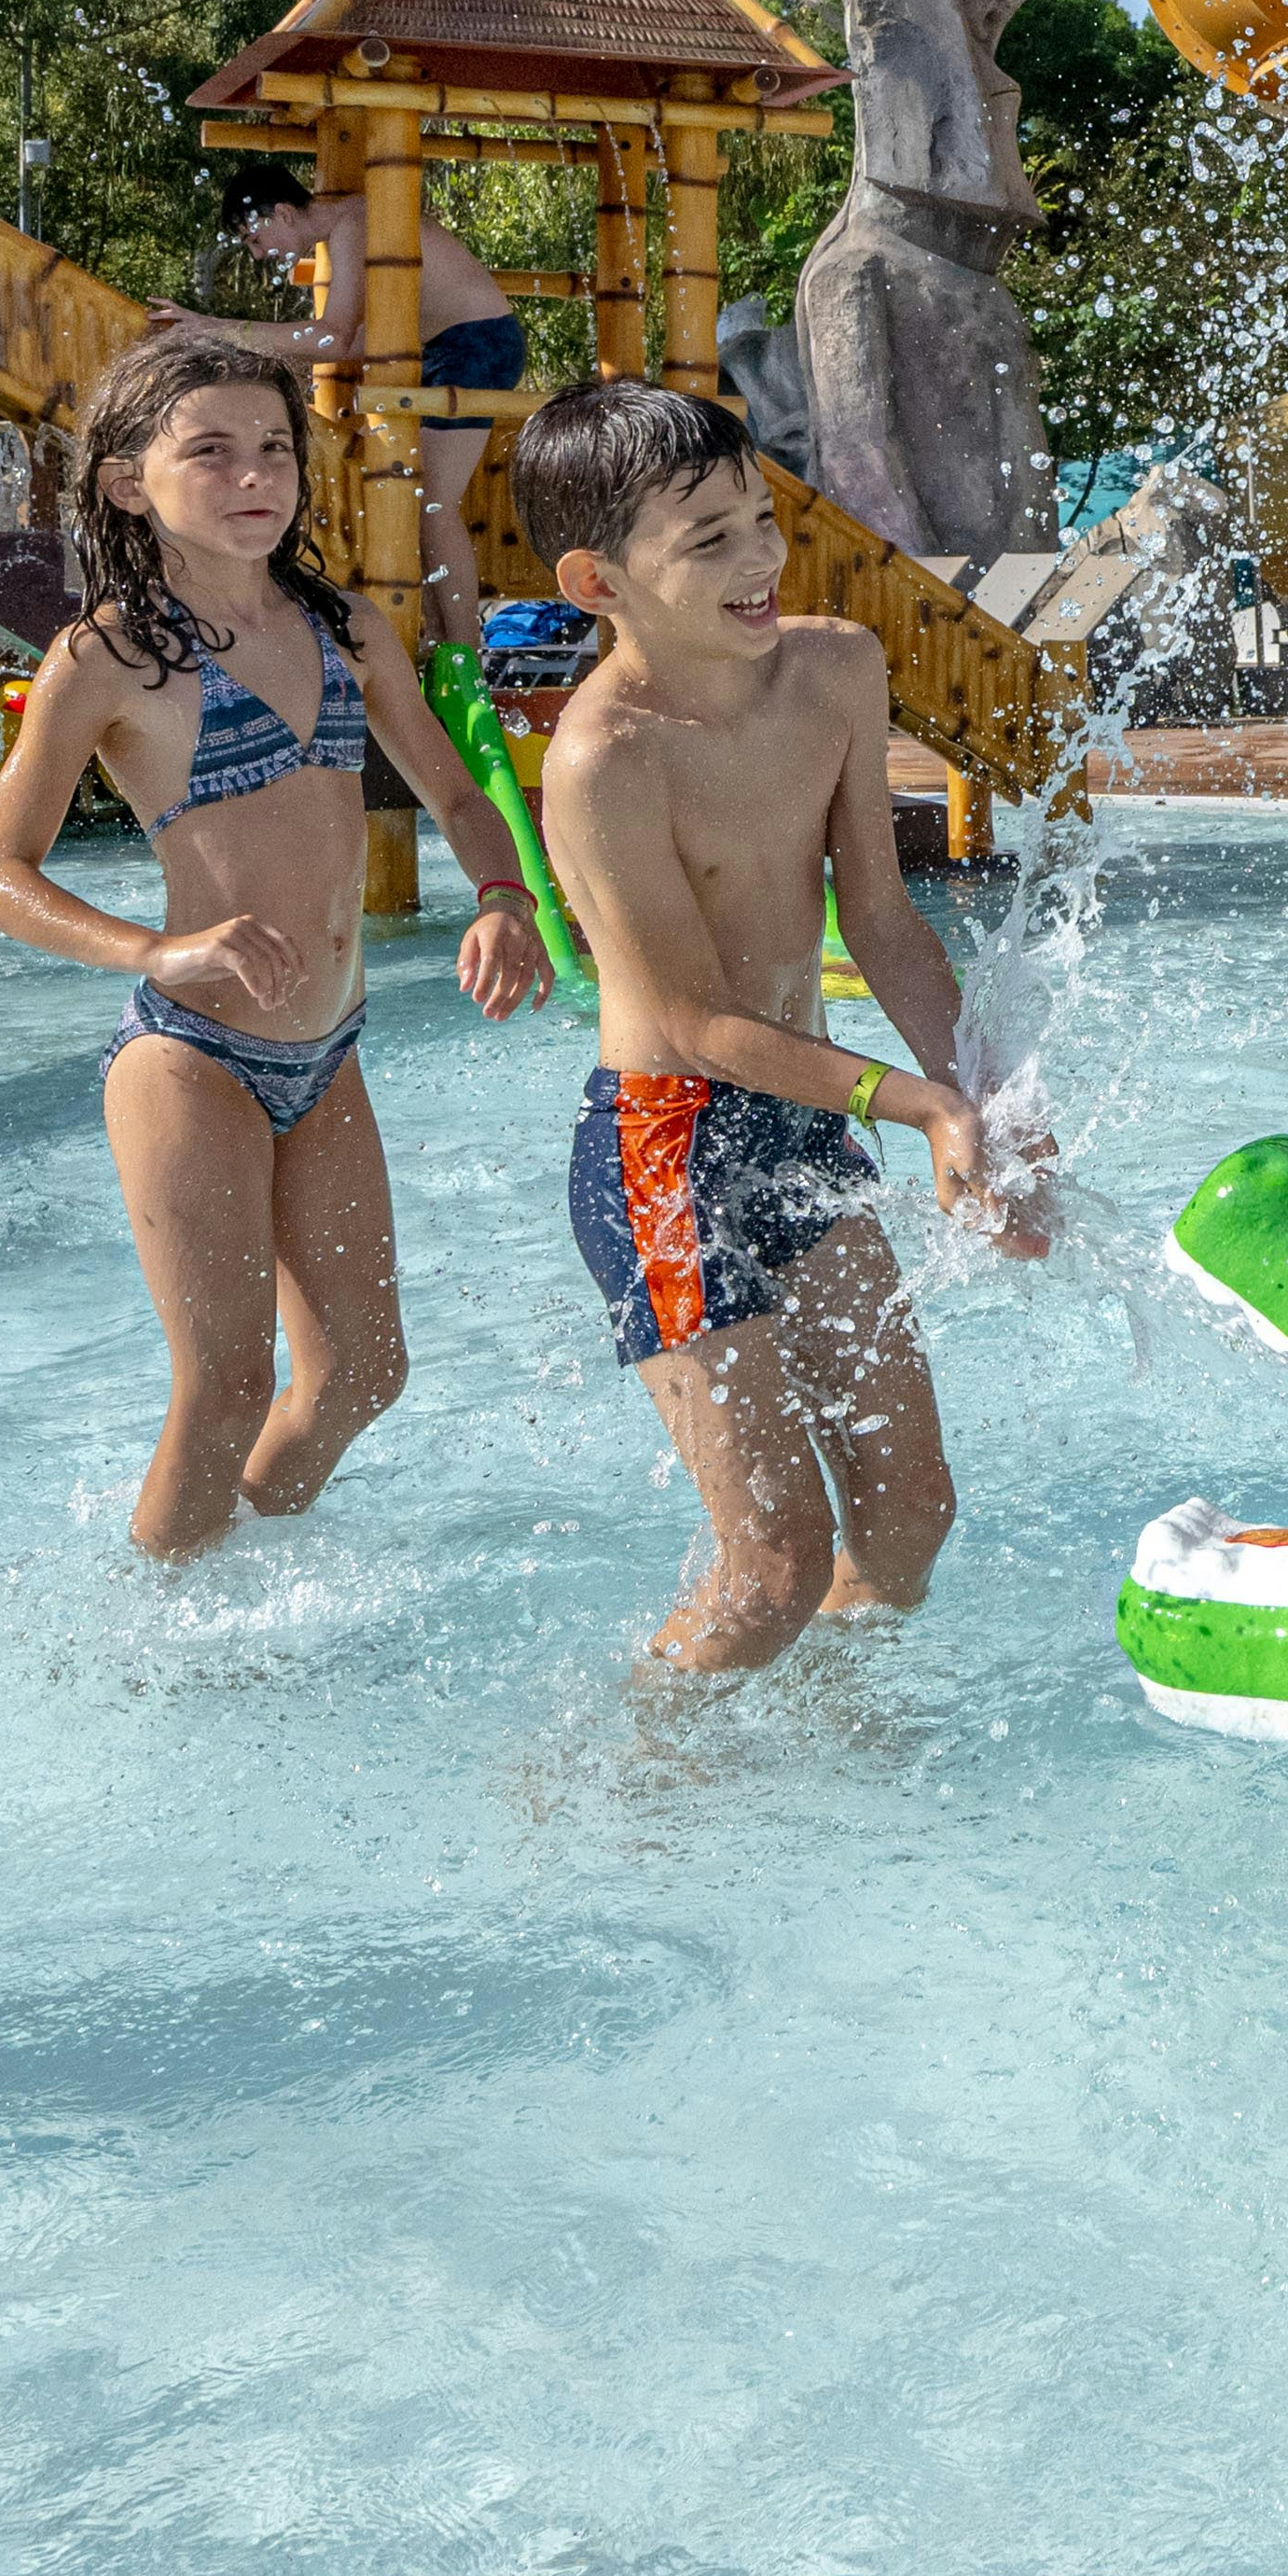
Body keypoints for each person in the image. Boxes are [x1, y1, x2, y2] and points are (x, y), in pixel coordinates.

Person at [0, 333, 554, 1562]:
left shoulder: (344, 628)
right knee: (224, 1384)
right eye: (211, 450)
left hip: (324, 1052)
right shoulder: (112, 655)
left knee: (361, 1373)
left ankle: (232, 1560)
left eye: (274, 447)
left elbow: (454, 792)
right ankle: (159, 1636)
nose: (254, 474)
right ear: (129, 480)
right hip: (191, 1055)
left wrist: (501, 894)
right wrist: (153, 951)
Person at [517, 373, 1049, 1674]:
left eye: (762, 516)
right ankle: (632, 1777)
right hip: (666, 1149)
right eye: (707, 539)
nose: (759, 557)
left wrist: (984, 1099)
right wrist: (918, 1105)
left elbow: (877, 917)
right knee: (767, 1567)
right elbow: (692, 1021)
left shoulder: (833, 670)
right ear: (598, 580)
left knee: (911, 1520)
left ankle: (812, 1735)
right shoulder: (603, 757)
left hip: (803, 1120)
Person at [171, 153, 522, 648]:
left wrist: (217, 330)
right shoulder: (351, 224)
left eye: (255, 239)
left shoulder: (353, 225)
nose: (256, 255)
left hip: (476, 345)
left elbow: (333, 341)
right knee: (420, 504)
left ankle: (464, 651)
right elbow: (357, 342)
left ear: (284, 214)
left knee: (433, 507)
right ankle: (443, 641)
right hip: (454, 346)